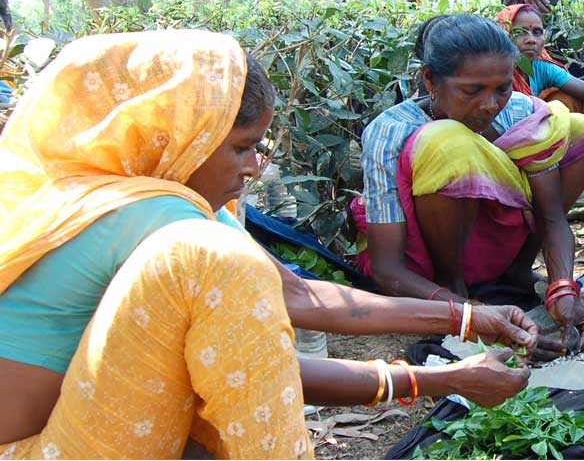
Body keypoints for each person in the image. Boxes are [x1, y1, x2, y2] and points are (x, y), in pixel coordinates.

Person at [0, 31, 536, 458]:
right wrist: (440, 379)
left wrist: (468, 319)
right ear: (176, 138)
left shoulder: (169, 203)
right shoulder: (163, 223)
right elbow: (258, 372)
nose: (255, 167)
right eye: (241, 148)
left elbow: (305, 298)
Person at [356, 14, 584, 360]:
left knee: (581, 130)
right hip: (423, 265)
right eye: (472, 91)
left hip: (497, 246)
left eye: (502, 88)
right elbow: (388, 269)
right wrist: (473, 316)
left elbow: (551, 218)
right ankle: (454, 288)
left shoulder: (520, 113)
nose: (490, 104)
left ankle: (515, 272)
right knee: (447, 141)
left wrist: (562, 287)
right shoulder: (390, 131)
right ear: (430, 79)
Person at [494, 3, 584, 124]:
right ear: (503, 34)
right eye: (520, 32)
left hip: (538, 134)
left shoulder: (541, 68)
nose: (531, 40)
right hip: (496, 137)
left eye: (537, 32)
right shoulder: (490, 72)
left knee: (566, 100)